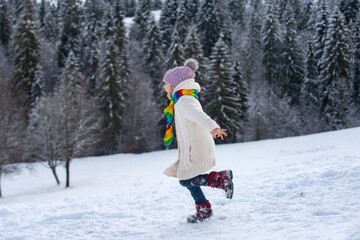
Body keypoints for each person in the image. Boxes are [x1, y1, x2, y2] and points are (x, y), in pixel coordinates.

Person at [162, 58, 234, 223]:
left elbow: (199, 115)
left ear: (174, 85)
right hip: (193, 148)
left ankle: (220, 179)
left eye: (165, 84)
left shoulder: (184, 101)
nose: (164, 87)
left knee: (186, 179)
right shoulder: (181, 100)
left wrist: (213, 127)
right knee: (187, 179)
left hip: (197, 148)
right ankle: (204, 209)